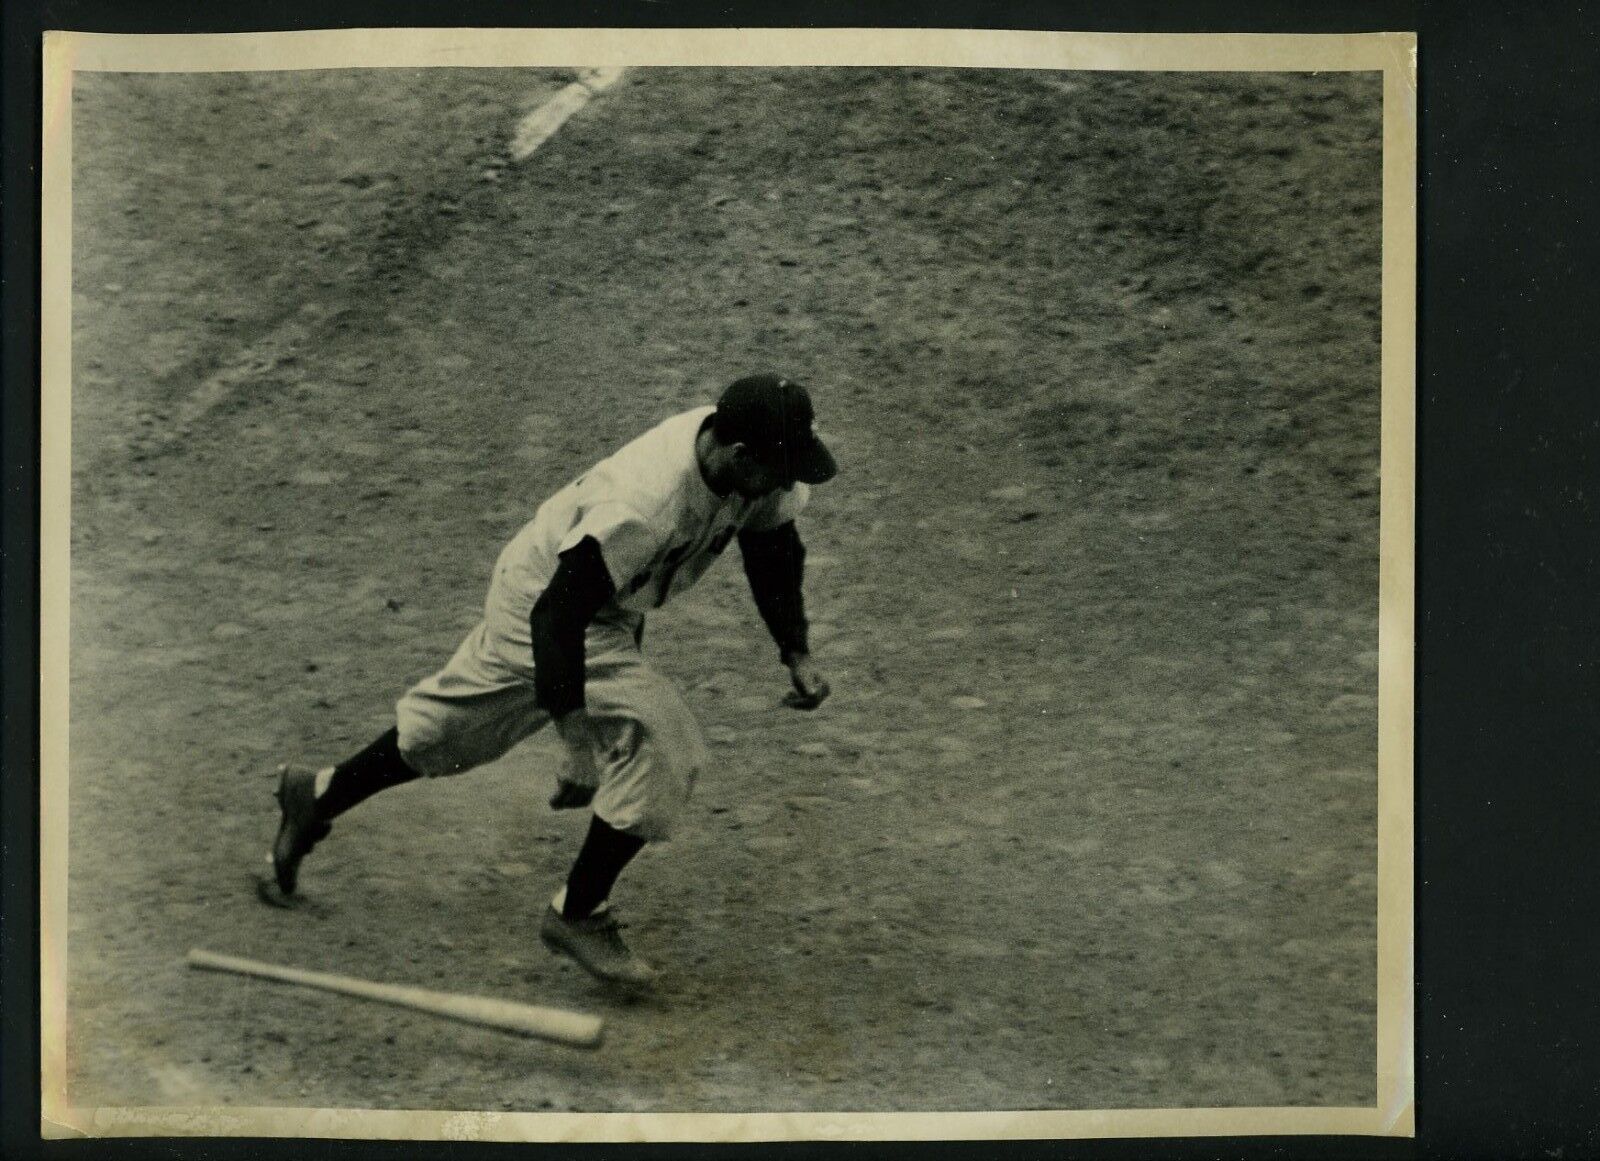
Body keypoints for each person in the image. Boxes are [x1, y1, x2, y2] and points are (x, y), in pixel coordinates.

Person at [259, 375, 836, 990]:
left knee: (449, 732)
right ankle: (580, 913)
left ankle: (314, 795)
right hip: (547, 601)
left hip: (600, 600)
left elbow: (774, 545)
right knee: (663, 741)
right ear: (738, 454)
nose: (786, 483)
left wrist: (794, 650)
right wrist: (577, 744)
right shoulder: (646, 502)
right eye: (778, 469)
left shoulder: (751, 454)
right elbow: (558, 615)